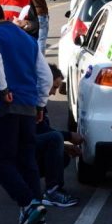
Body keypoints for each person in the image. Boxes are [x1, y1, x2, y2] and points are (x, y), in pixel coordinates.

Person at [0, 1, 53, 224]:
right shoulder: (27, 39)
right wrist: (41, 103)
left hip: (3, 105)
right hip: (28, 105)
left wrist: (1, 88)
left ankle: (28, 203)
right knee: (26, 159)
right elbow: (46, 75)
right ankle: (36, 211)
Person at [35, 65, 82, 208]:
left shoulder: (40, 102)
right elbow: (38, 132)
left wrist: (65, 146)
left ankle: (54, 188)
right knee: (55, 138)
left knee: (62, 154)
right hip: (20, 153)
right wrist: (68, 136)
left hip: (28, 147)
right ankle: (52, 192)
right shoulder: (32, 101)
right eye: (54, 87)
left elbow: (43, 129)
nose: (54, 93)